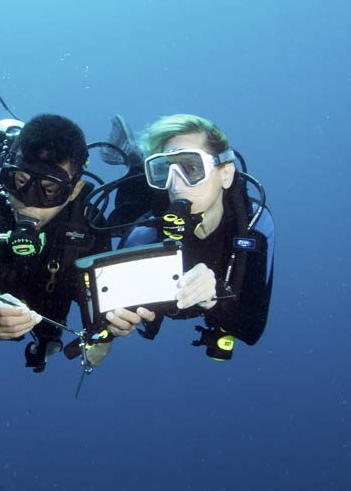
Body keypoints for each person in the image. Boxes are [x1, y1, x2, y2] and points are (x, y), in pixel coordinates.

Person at [0, 114, 113, 372]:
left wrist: (106, 332)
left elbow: (103, 296)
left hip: (46, 320)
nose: (29, 202)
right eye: (20, 181)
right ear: (5, 173)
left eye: (50, 189)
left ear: (74, 190)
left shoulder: (89, 227)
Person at [108, 114, 275, 359]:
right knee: (122, 216)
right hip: (144, 209)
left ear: (225, 174)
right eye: (165, 168)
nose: (176, 185)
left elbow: (252, 329)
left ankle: (139, 159)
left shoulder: (255, 226)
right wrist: (112, 324)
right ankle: (138, 161)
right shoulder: (144, 232)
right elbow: (109, 303)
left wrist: (214, 297)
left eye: (192, 167)